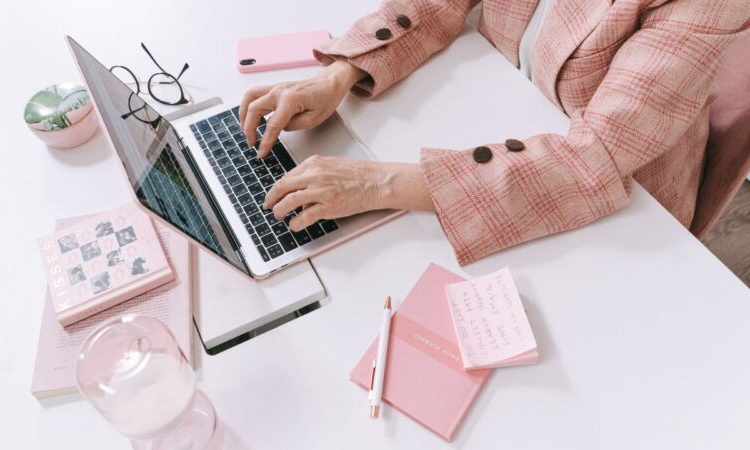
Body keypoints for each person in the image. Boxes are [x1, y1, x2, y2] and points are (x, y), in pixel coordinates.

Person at [241, 0, 750, 265]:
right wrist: (340, 75)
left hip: (620, 199)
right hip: (496, 118)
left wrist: (375, 185)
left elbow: (594, 159)